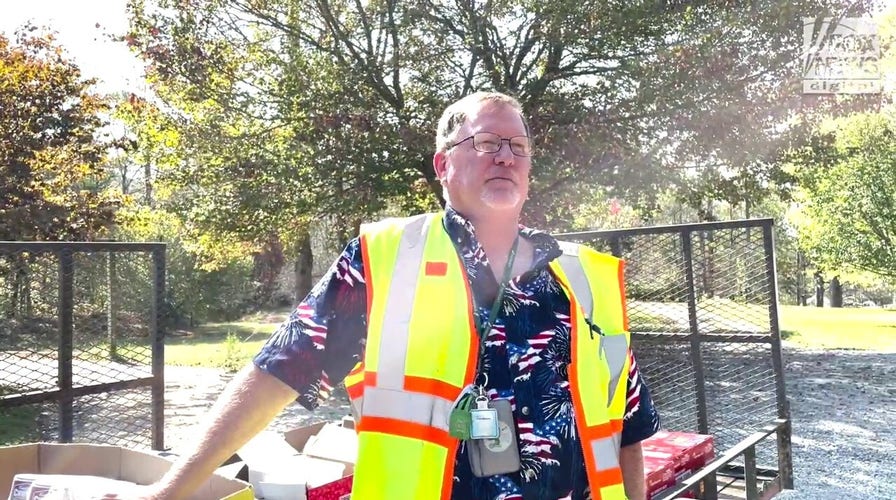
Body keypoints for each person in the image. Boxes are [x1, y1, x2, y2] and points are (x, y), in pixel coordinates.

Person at [142, 91, 660, 500]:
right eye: (485, 143)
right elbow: (277, 373)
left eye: (517, 147)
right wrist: (169, 491)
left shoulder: (585, 277)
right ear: (442, 165)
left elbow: (626, 425)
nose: (505, 156)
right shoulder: (384, 260)